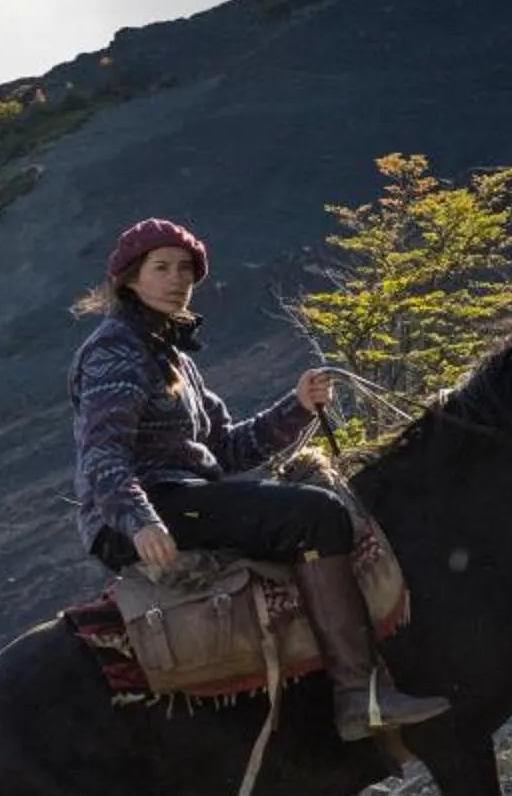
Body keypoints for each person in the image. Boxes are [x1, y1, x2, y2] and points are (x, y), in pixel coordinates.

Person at [70, 218, 447, 740]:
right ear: (129, 279)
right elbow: (102, 452)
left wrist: (297, 407)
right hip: (147, 510)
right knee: (317, 514)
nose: (177, 279)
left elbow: (227, 448)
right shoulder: (116, 349)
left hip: (185, 497)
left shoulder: (172, 353)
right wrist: (139, 519)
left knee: (316, 507)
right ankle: (359, 696)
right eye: (161, 268)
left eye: (186, 270)